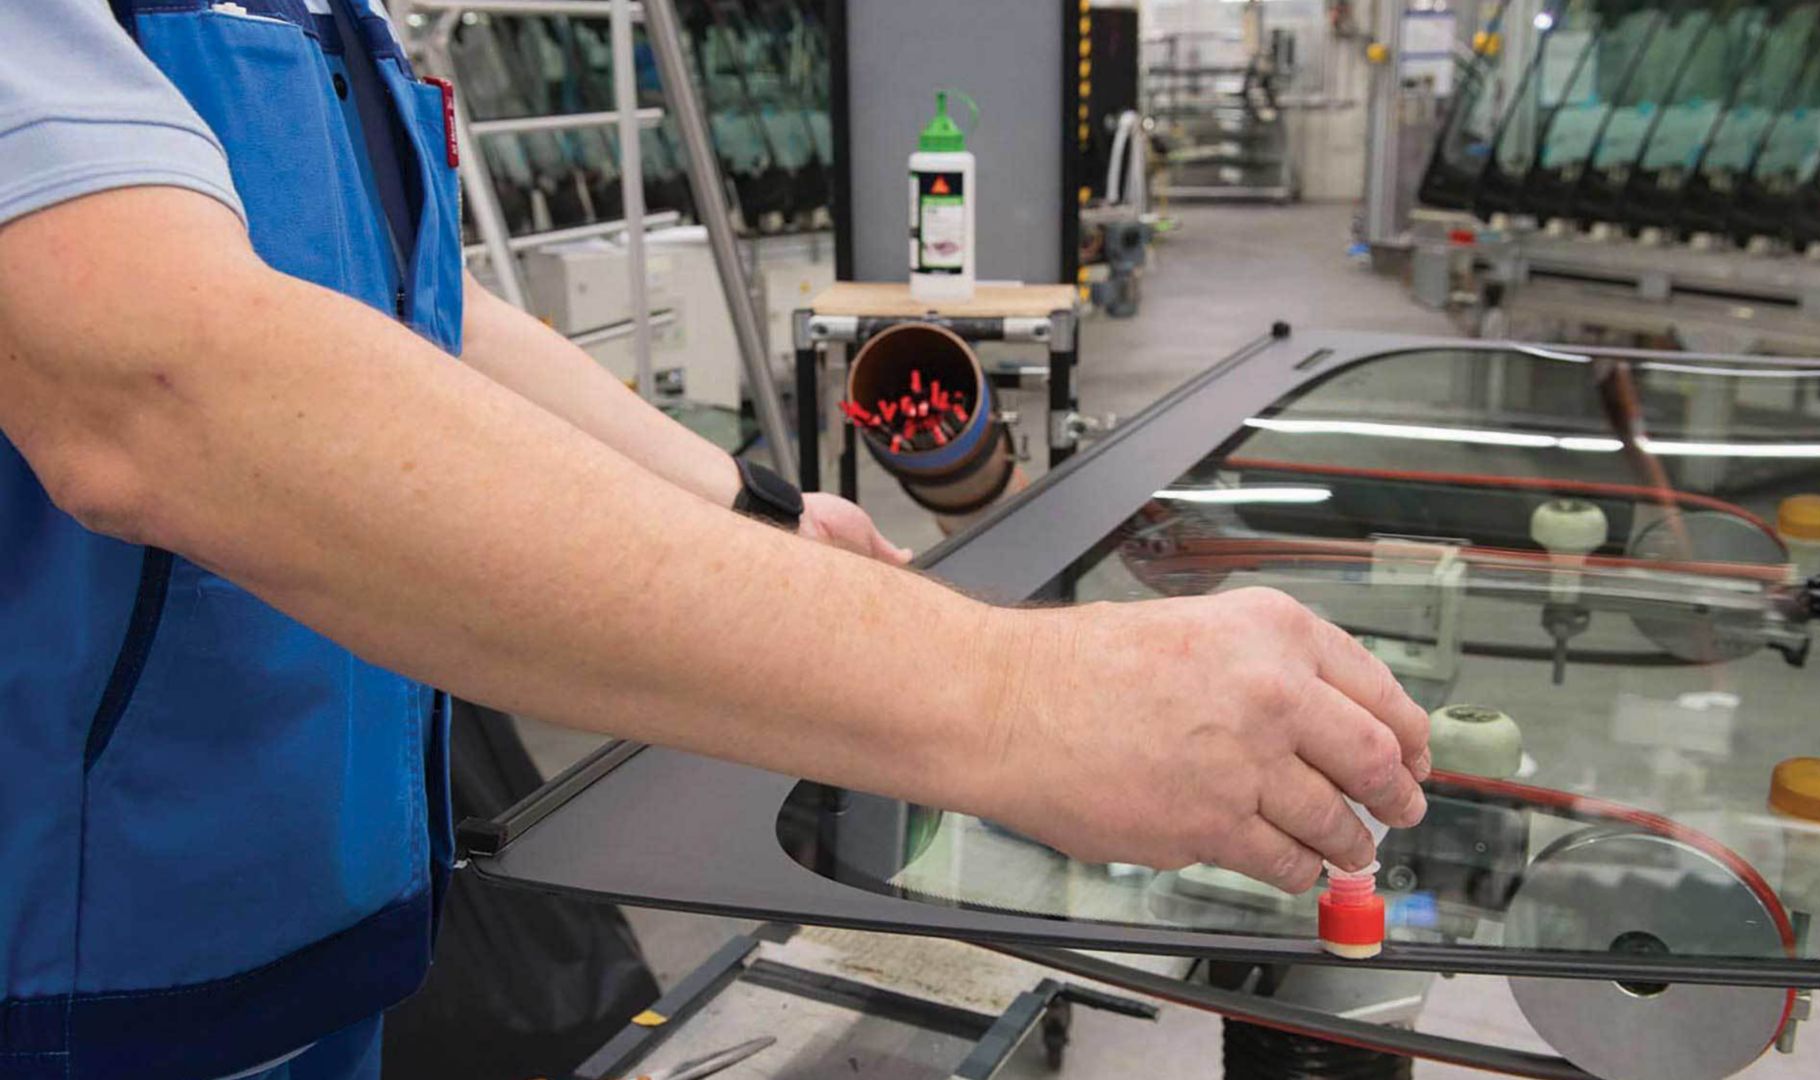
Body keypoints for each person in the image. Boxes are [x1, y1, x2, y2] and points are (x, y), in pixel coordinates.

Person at [0, 3, 1431, 1079]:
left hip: (309, 918)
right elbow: (156, 382)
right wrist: (1016, 697)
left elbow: (428, 316)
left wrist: (754, 513)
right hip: (74, 977)